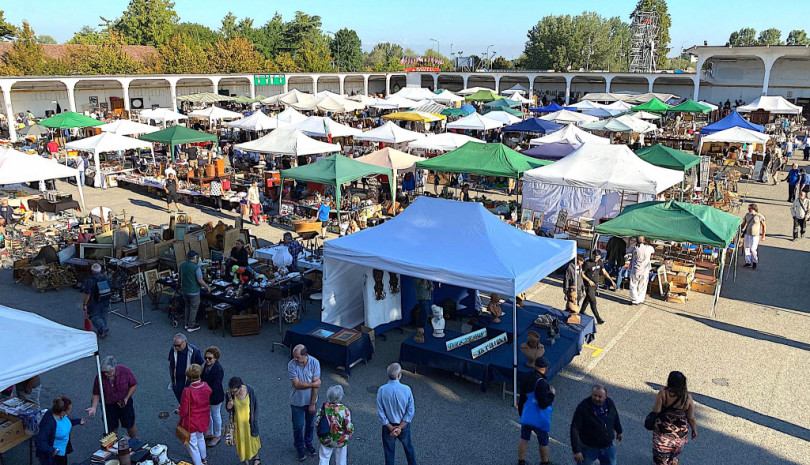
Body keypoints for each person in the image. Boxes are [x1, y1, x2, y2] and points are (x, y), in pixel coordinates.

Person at [650, 371, 697, 465]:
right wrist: (694, 430)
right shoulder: (687, 398)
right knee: (673, 455)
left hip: (663, 434)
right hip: (679, 436)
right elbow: (691, 418)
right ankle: (672, 461)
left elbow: (656, 410)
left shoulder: (663, 393)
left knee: (661, 459)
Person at [86, 356, 138, 438]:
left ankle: (135, 440)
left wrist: (127, 398)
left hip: (124, 402)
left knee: (130, 423)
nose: (105, 374)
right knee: (112, 427)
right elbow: (96, 393)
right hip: (109, 405)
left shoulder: (125, 371)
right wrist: (94, 407)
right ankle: (114, 445)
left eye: (108, 372)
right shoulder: (99, 377)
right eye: (104, 372)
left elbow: (133, 384)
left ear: (114, 368)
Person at [570, 385, 622, 465]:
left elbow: (615, 417)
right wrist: (576, 450)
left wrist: (619, 431)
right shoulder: (584, 407)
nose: (596, 398)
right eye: (594, 395)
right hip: (588, 448)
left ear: (605, 397)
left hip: (607, 447)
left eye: (600, 396)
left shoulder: (609, 403)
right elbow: (574, 428)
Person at [377, 363, 417, 465]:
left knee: (389, 452)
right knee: (408, 448)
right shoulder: (407, 389)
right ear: (399, 375)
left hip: (388, 426)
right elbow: (410, 411)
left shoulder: (382, 390)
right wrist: (400, 427)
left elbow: (381, 412)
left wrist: (391, 427)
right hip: (403, 425)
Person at [517, 357, 554, 465]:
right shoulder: (542, 383)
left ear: (535, 365)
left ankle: (521, 461)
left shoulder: (526, 376)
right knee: (543, 440)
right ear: (545, 368)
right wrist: (552, 394)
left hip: (526, 413)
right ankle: (544, 462)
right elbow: (543, 404)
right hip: (538, 417)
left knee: (524, 437)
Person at [289, 345, 321, 461]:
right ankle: (299, 446)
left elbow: (316, 388)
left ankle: (308, 443)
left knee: (310, 424)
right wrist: (313, 384)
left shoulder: (315, 363)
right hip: (296, 402)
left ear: (305, 355)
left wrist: (312, 404)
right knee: (298, 426)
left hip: (310, 402)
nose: (295, 359)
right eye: (294, 357)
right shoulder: (291, 364)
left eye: (297, 357)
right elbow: (297, 385)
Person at [35, 397, 87, 465]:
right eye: (70, 409)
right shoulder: (49, 423)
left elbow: (65, 424)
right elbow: (39, 441)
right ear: (62, 412)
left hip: (62, 450)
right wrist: (52, 450)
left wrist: (78, 421)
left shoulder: (61, 416)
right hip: (55, 455)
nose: (71, 410)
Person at [178, 364, 212, 465]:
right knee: (200, 438)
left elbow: (184, 411)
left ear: (188, 377)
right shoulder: (206, 387)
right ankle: (204, 459)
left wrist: (179, 411)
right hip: (203, 419)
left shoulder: (187, 391)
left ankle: (198, 463)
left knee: (192, 445)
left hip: (191, 421)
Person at [315, 385, 354, 465]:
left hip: (326, 437)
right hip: (340, 438)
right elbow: (348, 427)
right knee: (341, 458)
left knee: (324, 457)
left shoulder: (323, 408)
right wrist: (350, 432)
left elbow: (317, 422)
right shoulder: (345, 410)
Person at [226, 377, 261, 465]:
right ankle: (245, 460)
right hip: (238, 424)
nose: (233, 393)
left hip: (250, 422)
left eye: (235, 391)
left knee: (253, 440)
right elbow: (229, 410)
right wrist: (229, 406)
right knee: (241, 442)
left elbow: (255, 406)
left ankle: (256, 457)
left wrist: (255, 420)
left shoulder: (250, 390)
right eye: (232, 391)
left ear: (241, 387)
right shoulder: (229, 394)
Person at [580, 250, 616, 325]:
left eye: (597, 257)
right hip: (588, 285)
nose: (595, 258)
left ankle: (582, 311)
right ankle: (598, 319)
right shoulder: (587, 263)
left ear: (600, 256)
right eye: (594, 256)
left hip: (595, 284)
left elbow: (604, 272)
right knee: (593, 301)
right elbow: (581, 274)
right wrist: (589, 280)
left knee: (588, 299)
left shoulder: (600, 262)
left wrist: (611, 281)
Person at [179, 250, 211, 332]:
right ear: (195, 257)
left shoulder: (182, 265)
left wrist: (179, 285)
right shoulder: (196, 268)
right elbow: (200, 280)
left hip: (184, 290)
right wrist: (207, 287)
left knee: (187, 306)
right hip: (193, 291)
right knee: (193, 308)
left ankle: (186, 323)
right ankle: (191, 325)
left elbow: (180, 277)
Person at [169, 333, 204, 403]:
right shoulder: (173, 349)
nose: (176, 348)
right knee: (181, 401)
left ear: (185, 341)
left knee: (190, 402)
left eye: (178, 345)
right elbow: (171, 362)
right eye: (175, 345)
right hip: (177, 382)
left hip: (189, 382)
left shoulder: (194, 351)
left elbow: (201, 366)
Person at [202, 346, 225, 447]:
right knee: (208, 414)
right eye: (206, 358)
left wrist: (203, 391)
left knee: (216, 415)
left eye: (210, 358)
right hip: (207, 395)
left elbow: (215, 385)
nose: (207, 360)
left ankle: (217, 435)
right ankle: (209, 432)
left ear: (216, 358)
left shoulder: (218, 370)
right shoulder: (206, 366)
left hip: (215, 397)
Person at [82, 263, 111, 338]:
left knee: (94, 317)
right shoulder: (105, 277)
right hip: (105, 299)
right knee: (103, 315)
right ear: (100, 270)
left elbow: (87, 294)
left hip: (94, 301)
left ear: (92, 271)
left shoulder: (90, 281)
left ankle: (102, 328)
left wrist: (85, 304)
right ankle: (102, 331)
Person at [628, 236, 655, 305]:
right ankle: (640, 299)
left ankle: (634, 299)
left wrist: (629, 241)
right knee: (642, 286)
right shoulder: (649, 248)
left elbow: (627, 250)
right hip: (645, 271)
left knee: (633, 285)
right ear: (644, 241)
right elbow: (653, 251)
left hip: (636, 270)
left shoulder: (634, 248)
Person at [741, 204, 766, 270]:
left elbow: (764, 226)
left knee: (753, 249)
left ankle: (755, 261)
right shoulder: (747, 215)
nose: (748, 210)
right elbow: (743, 223)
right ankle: (748, 262)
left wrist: (763, 235)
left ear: (754, 209)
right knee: (746, 248)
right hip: (747, 234)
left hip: (755, 236)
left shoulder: (760, 216)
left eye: (750, 209)